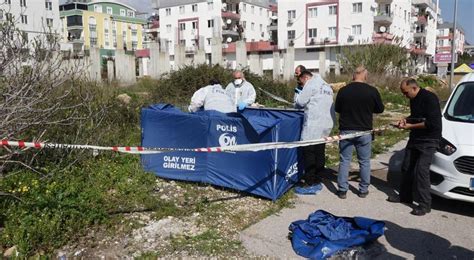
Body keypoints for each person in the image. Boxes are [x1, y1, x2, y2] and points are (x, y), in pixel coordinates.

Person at [388, 78, 442, 216]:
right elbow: (417, 116)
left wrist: (410, 126)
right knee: (406, 167)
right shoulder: (413, 99)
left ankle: (425, 204)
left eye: (405, 93)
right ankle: (405, 196)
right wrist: (406, 120)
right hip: (416, 138)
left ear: (413, 88)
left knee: (421, 171)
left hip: (429, 139)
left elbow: (432, 123)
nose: (404, 96)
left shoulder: (430, 99)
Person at [334, 66, 384, 199]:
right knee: (364, 161)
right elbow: (380, 109)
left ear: (353, 75)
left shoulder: (343, 91)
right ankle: (363, 190)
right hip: (364, 131)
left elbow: (337, 108)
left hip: (346, 131)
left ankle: (342, 190)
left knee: (344, 160)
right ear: (365, 75)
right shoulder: (372, 91)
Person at [295, 70, 335, 184]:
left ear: (305, 78)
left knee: (309, 151)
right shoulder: (326, 85)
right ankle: (319, 175)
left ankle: (310, 179)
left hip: (314, 123)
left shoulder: (311, 83)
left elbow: (300, 103)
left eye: (301, 82)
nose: (302, 85)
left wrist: (299, 94)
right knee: (320, 150)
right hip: (326, 123)